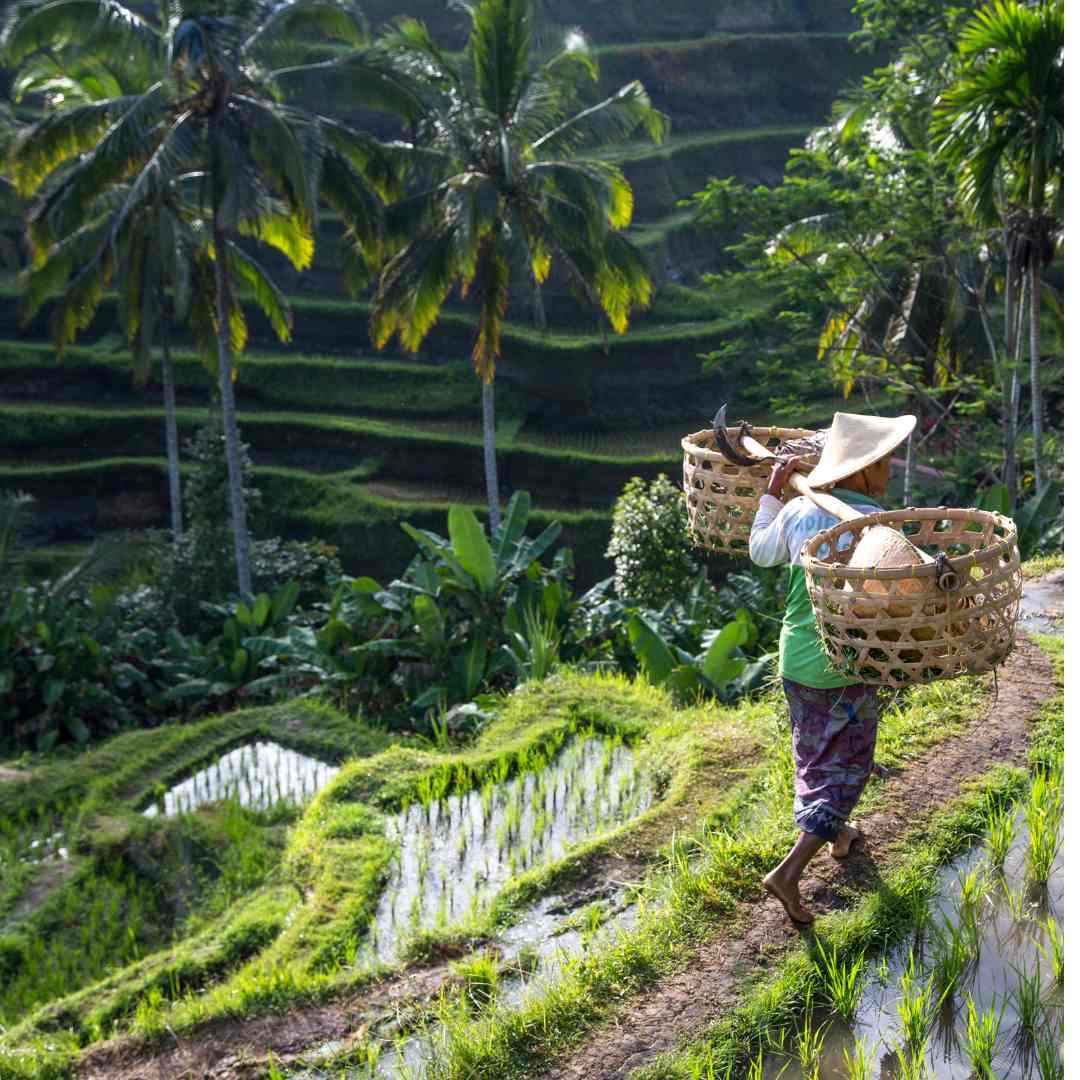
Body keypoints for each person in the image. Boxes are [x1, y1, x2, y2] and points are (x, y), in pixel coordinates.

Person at [749, 412, 916, 924]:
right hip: (845, 664)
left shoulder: (801, 511)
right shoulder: (876, 528)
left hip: (796, 656)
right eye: (884, 462)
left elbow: (759, 552)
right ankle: (789, 872)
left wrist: (774, 494)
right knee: (850, 768)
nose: (889, 470)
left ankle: (838, 835)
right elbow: (905, 598)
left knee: (814, 752)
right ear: (863, 472)